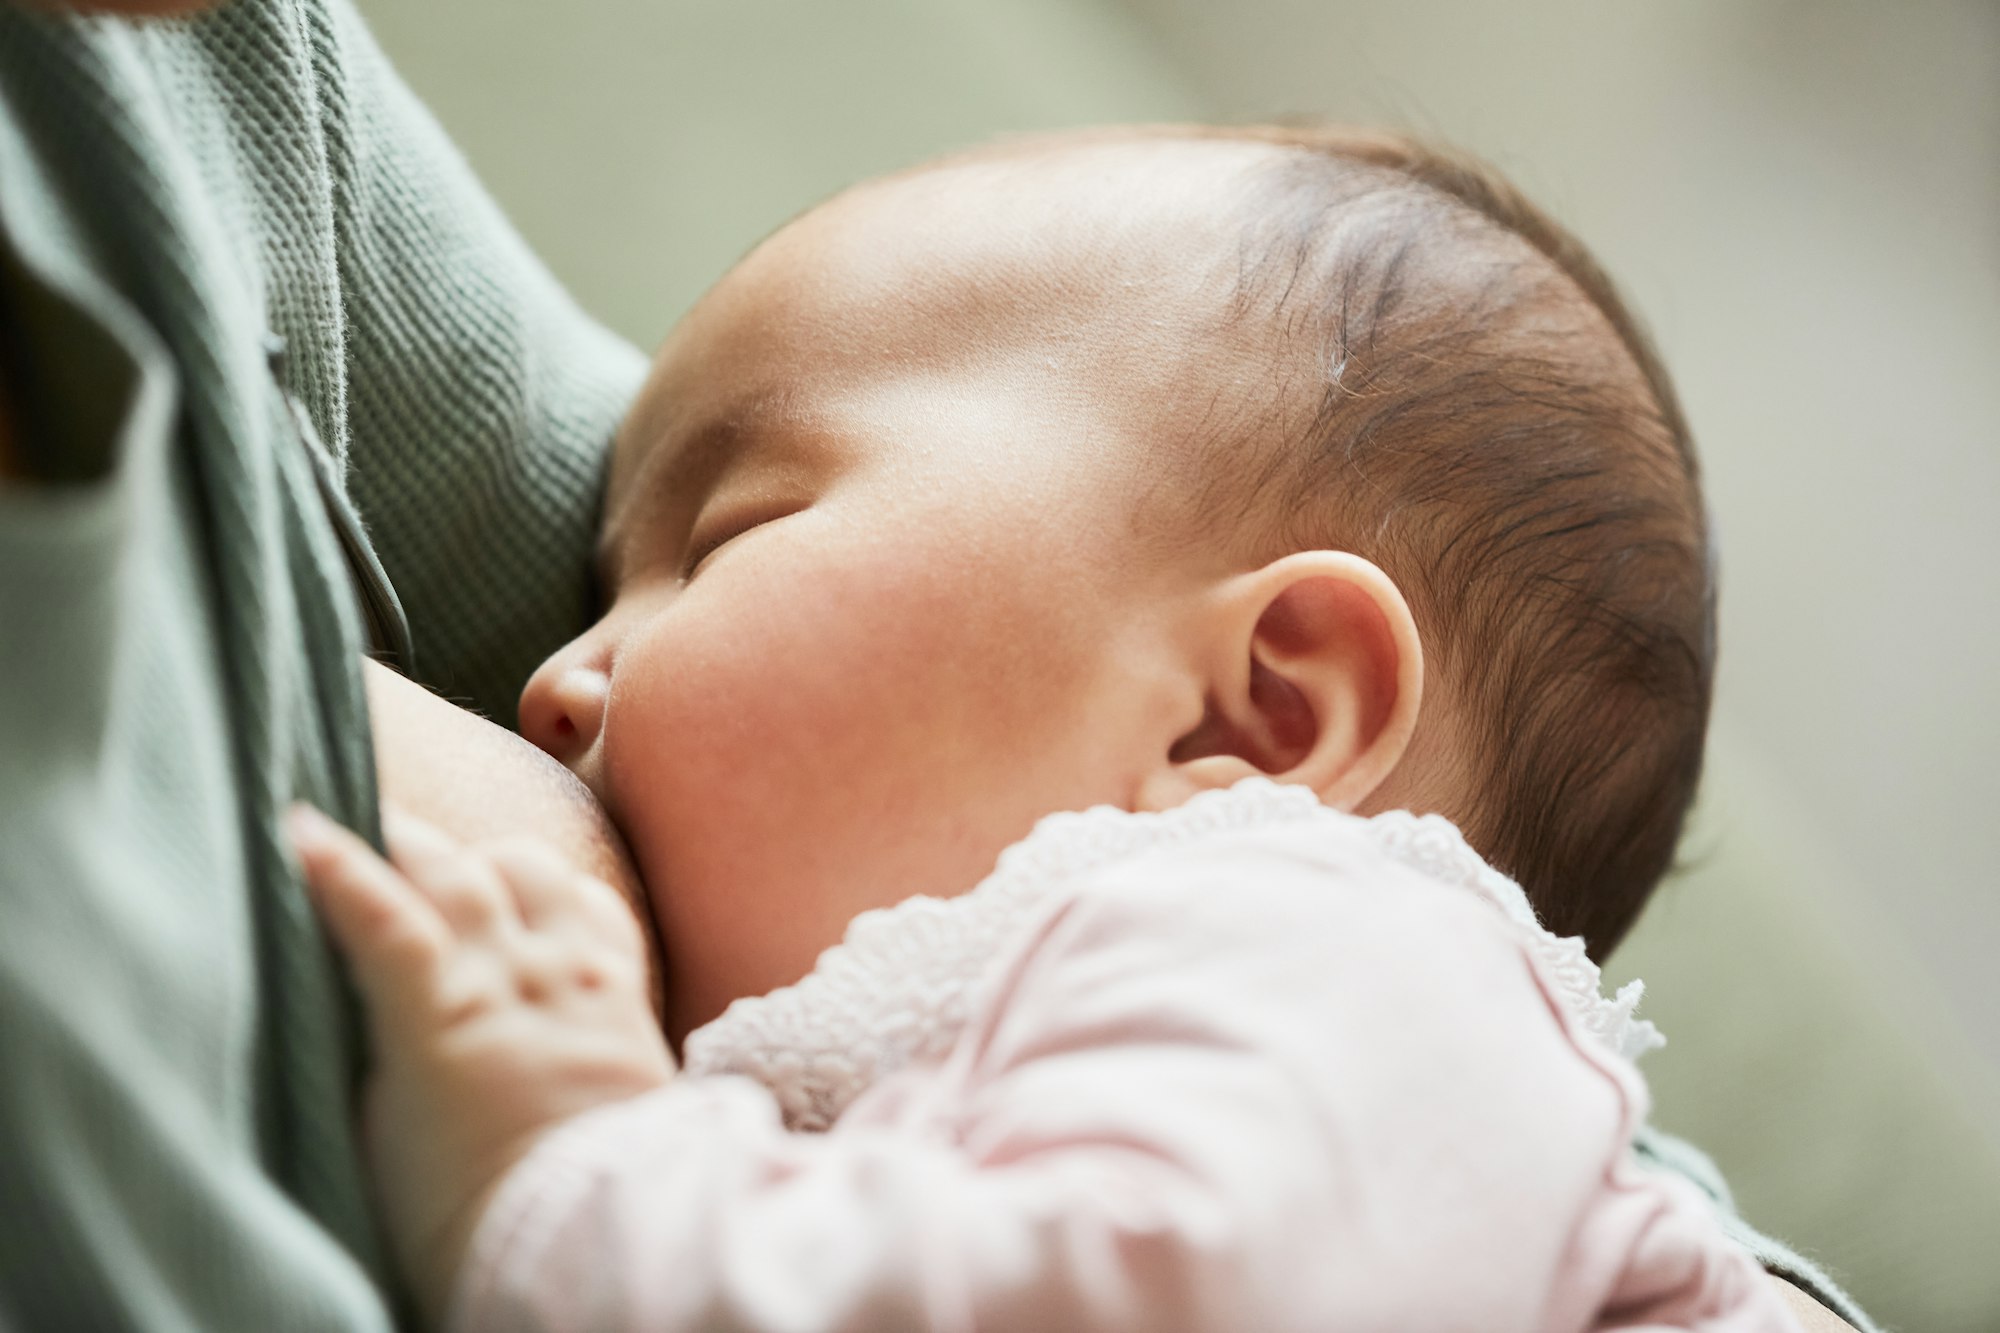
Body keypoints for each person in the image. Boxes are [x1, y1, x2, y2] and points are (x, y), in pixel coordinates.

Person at [285, 127, 1876, 1331]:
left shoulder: (1346, 963)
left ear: (1253, 717)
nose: (557, 680)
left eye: (726, 540)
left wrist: (564, 1171)